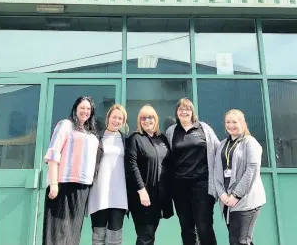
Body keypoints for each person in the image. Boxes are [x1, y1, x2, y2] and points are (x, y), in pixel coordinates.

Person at [43, 96, 100, 245]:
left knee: (73, 232)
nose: (85, 111)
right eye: (82, 108)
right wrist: (53, 183)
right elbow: (53, 154)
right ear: (75, 108)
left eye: (88, 109)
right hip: (63, 184)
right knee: (58, 231)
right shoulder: (65, 125)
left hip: (82, 187)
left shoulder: (91, 132)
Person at [165, 97, 219, 245]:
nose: (184, 111)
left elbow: (218, 151)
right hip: (180, 187)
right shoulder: (171, 131)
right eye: (181, 109)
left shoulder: (204, 128)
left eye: (187, 109)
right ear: (177, 112)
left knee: (204, 226)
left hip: (202, 185)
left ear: (192, 111)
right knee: (186, 227)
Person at [214, 109, 266, 245]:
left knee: (240, 241)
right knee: (239, 240)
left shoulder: (250, 142)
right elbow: (216, 171)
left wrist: (236, 195)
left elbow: (252, 169)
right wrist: (222, 194)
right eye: (228, 122)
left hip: (245, 201)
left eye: (234, 122)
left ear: (242, 123)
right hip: (227, 202)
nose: (231, 125)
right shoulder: (223, 144)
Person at [125, 104, 174, 245]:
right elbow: (131, 165)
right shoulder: (135, 138)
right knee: (145, 236)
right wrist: (141, 191)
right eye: (143, 118)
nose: (147, 120)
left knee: (150, 235)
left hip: (159, 196)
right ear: (139, 121)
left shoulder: (163, 139)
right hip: (142, 197)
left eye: (150, 117)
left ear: (156, 119)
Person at [87, 104, 128, 245]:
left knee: (115, 239)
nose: (116, 120)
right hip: (99, 193)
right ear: (108, 118)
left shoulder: (126, 140)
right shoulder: (97, 138)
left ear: (123, 122)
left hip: (119, 195)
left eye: (120, 118)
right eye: (114, 117)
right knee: (98, 237)